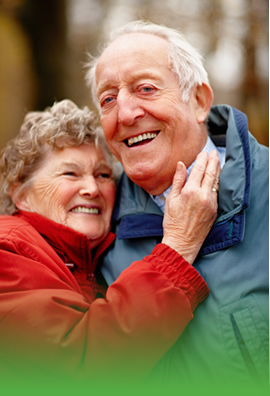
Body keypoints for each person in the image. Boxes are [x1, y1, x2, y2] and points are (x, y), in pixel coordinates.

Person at [85, 20, 269, 391]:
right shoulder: (96, 222)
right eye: (108, 99)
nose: (125, 114)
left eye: (146, 89)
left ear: (199, 100)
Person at [0, 99, 220, 388]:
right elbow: (82, 366)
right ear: (20, 194)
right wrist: (178, 246)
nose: (92, 188)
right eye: (70, 173)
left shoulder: (96, 260)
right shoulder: (7, 252)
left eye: (103, 175)